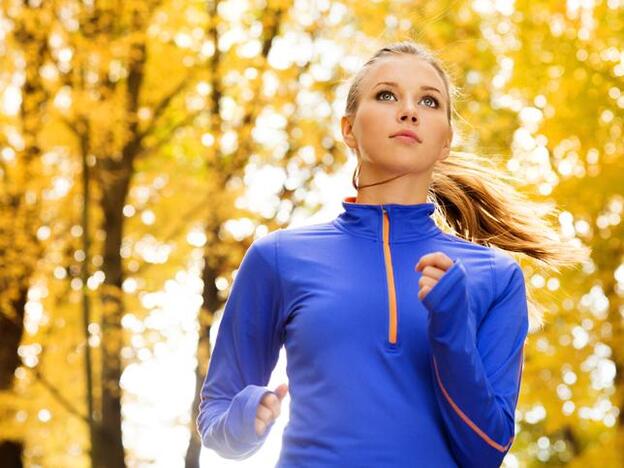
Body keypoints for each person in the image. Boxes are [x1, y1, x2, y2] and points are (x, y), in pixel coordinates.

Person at [196, 41, 589, 467]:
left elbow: (486, 451)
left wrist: (451, 330)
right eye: (386, 95)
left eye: (429, 101)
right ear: (349, 129)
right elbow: (217, 414)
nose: (409, 110)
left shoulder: (494, 275)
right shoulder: (277, 257)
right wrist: (245, 417)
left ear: (445, 143)